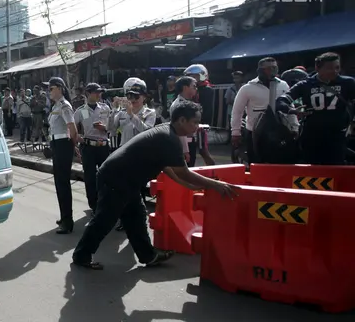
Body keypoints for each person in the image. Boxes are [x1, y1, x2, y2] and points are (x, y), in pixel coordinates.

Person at [72, 101, 240, 270]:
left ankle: (148, 255)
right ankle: (81, 255)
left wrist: (187, 186)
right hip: (116, 178)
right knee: (105, 220)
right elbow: (184, 172)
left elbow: (166, 167)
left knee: (136, 217)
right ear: (181, 120)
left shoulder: (166, 132)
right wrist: (215, 185)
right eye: (194, 122)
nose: (197, 126)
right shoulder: (169, 138)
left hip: (125, 180)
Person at [277, 52, 355, 165]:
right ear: (317, 68)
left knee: (336, 167)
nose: (334, 71)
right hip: (312, 136)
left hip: (337, 135)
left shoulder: (347, 83)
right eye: (329, 68)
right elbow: (281, 101)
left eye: (337, 67)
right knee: (312, 167)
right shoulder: (306, 85)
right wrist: (293, 110)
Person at [231, 57, 298, 164]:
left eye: (275, 67)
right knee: (256, 162)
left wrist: (294, 126)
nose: (273, 70)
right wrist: (235, 132)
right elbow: (237, 111)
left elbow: (291, 106)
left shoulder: (283, 85)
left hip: (280, 130)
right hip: (255, 132)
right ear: (260, 70)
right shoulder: (247, 88)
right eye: (269, 68)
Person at [47, 77, 80, 234]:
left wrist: (75, 146)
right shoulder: (56, 106)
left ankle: (68, 221)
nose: (49, 91)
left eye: (51, 88)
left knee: (63, 184)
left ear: (60, 88)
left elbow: (72, 127)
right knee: (59, 183)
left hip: (63, 146)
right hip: (57, 145)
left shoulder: (65, 105)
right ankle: (64, 216)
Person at [73, 83, 111, 212]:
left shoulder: (105, 108)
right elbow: (72, 127)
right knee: (90, 178)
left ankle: (104, 202)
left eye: (100, 92)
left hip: (103, 146)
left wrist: (105, 128)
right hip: (88, 147)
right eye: (96, 92)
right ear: (88, 94)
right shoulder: (81, 111)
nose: (99, 95)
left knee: (105, 176)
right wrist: (76, 138)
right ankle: (94, 205)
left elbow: (114, 127)